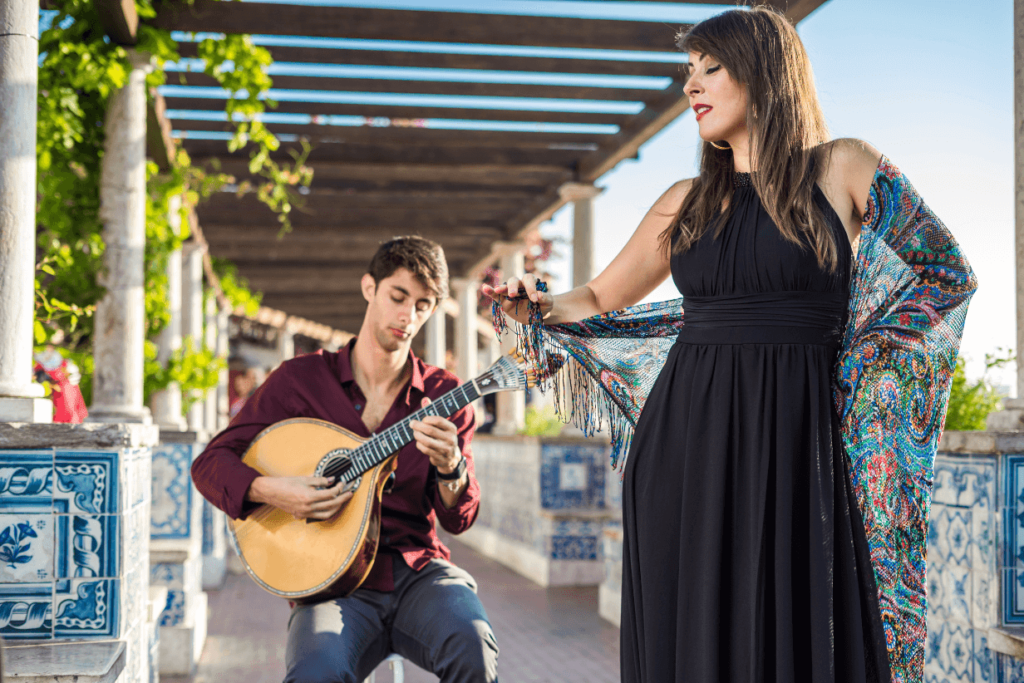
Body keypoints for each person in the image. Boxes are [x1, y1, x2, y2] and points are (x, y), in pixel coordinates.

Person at [484, 7, 975, 683]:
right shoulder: (684, 201)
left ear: (768, 73)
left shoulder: (843, 166)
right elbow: (598, 298)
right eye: (689, 71)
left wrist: (865, 368)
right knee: (695, 643)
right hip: (686, 447)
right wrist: (532, 305)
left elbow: (945, 271)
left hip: (806, 442)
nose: (692, 85)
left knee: (807, 632)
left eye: (711, 67)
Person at [192, 236, 499, 683]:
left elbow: (459, 520)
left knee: (473, 647)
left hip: (417, 571)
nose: (407, 316)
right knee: (315, 674)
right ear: (369, 288)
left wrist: (452, 466)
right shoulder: (300, 381)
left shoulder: (445, 396)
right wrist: (275, 491)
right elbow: (210, 464)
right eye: (398, 297)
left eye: (423, 305)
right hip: (329, 583)